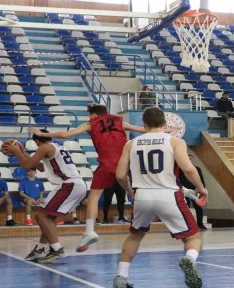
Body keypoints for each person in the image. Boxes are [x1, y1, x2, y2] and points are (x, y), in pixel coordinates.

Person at [30, 103, 158, 252]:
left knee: (94, 196)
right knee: (134, 184)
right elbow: (144, 130)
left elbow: (66, 135)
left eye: (89, 115)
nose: (89, 117)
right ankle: (138, 196)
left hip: (106, 163)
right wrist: (165, 131)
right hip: (125, 161)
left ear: (94, 114)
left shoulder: (91, 123)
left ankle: (90, 231)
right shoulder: (119, 120)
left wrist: (42, 134)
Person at [112, 107, 208, 288]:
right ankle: (189, 259)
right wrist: (201, 187)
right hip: (168, 194)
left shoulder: (130, 144)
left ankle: (120, 276)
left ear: (144, 123)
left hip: (142, 195)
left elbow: (120, 175)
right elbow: (188, 169)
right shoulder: (174, 141)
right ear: (165, 124)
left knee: (135, 235)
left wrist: (130, 191)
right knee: (193, 236)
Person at [11, 131, 88, 263]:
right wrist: (23, 153)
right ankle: (40, 249)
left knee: (40, 216)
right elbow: (40, 167)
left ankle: (57, 249)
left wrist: (16, 150)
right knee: (48, 218)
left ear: (37, 141)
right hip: (75, 184)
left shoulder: (44, 147)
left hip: (68, 184)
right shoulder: (56, 147)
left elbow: (27, 165)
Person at [179, 154, 207, 230]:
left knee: (198, 207)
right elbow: (178, 181)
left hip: (195, 191)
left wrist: (201, 190)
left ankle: (200, 224)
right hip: (184, 191)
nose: (189, 160)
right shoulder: (180, 169)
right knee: (185, 206)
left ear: (192, 160)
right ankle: (186, 224)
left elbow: (201, 180)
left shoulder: (197, 169)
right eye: (187, 158)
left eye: (190, 158)